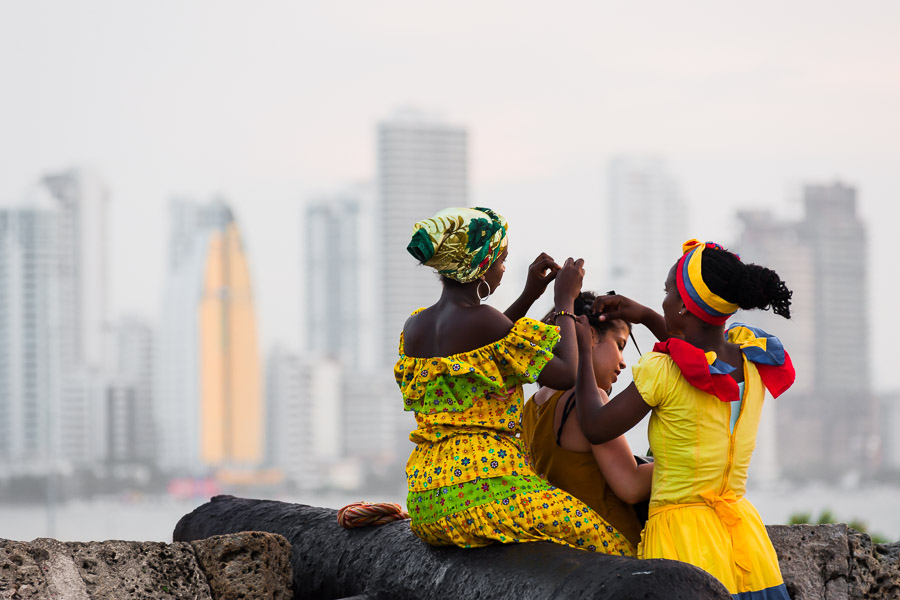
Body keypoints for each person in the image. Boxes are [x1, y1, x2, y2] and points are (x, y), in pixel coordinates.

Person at [396, 207, 634, 555]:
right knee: (613, 547)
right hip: (484, 489)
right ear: (479, 267)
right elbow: (567, 371)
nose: (504, 269)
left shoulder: (415, 325)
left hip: (428, 497)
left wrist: (529, 295)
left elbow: (483, 347)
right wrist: (564, 300)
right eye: (501, 260)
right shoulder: (483, 321)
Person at [572, 240, 795, 599]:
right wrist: (644, 315)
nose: (662, 300)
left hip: (684, 541)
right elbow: (696, 359)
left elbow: (595, 425)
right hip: (746, 541)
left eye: (666, 293)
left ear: (683, 309)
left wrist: (583, 350)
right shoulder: (752, 360)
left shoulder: (665, 371)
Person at [520, 291, 652, 548]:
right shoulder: (587, 401)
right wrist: (686, 462)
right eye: (620, 345)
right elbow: (631, 484)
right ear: (590, 335)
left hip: (567, 549)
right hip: (614, 548)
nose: (623, 363)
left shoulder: (531, 406)